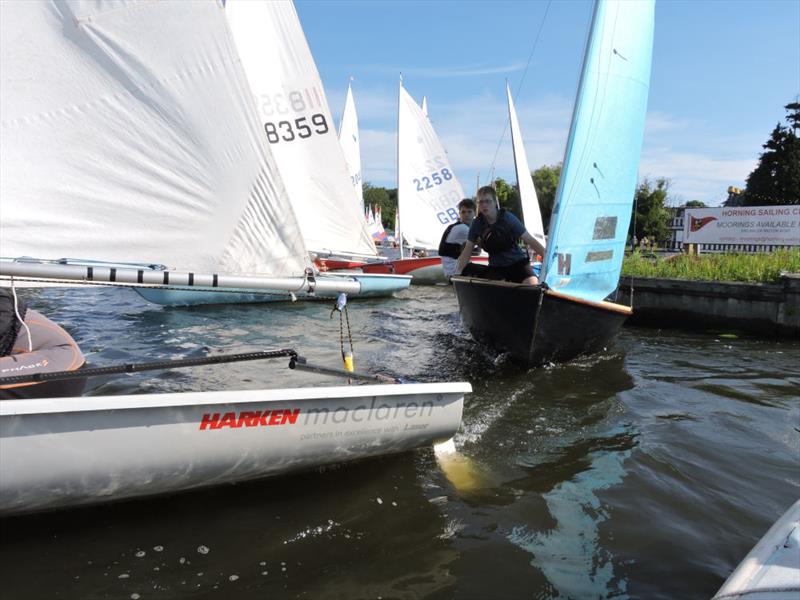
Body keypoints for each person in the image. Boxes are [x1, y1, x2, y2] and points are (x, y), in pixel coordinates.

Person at [455, 186, 545, 285]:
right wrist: (457, 273)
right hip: (496, 268)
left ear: (495, 202)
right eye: (481, 202)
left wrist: (547, 258)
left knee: (532, 283)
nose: (484, 205)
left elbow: (530, 240)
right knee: (468, 270)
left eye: (488, 201)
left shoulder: (508, 218)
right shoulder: (477, 224)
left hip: (518, 264)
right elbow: (467, 250)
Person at [438, 198, 476, 278]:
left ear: (474, 213)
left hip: (451, 272)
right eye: (463, 212)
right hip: (456, 271)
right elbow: (482, 242)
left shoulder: (455, 226)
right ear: (459, 214)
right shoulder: (462, 228)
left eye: (469, 212)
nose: (466, 215)